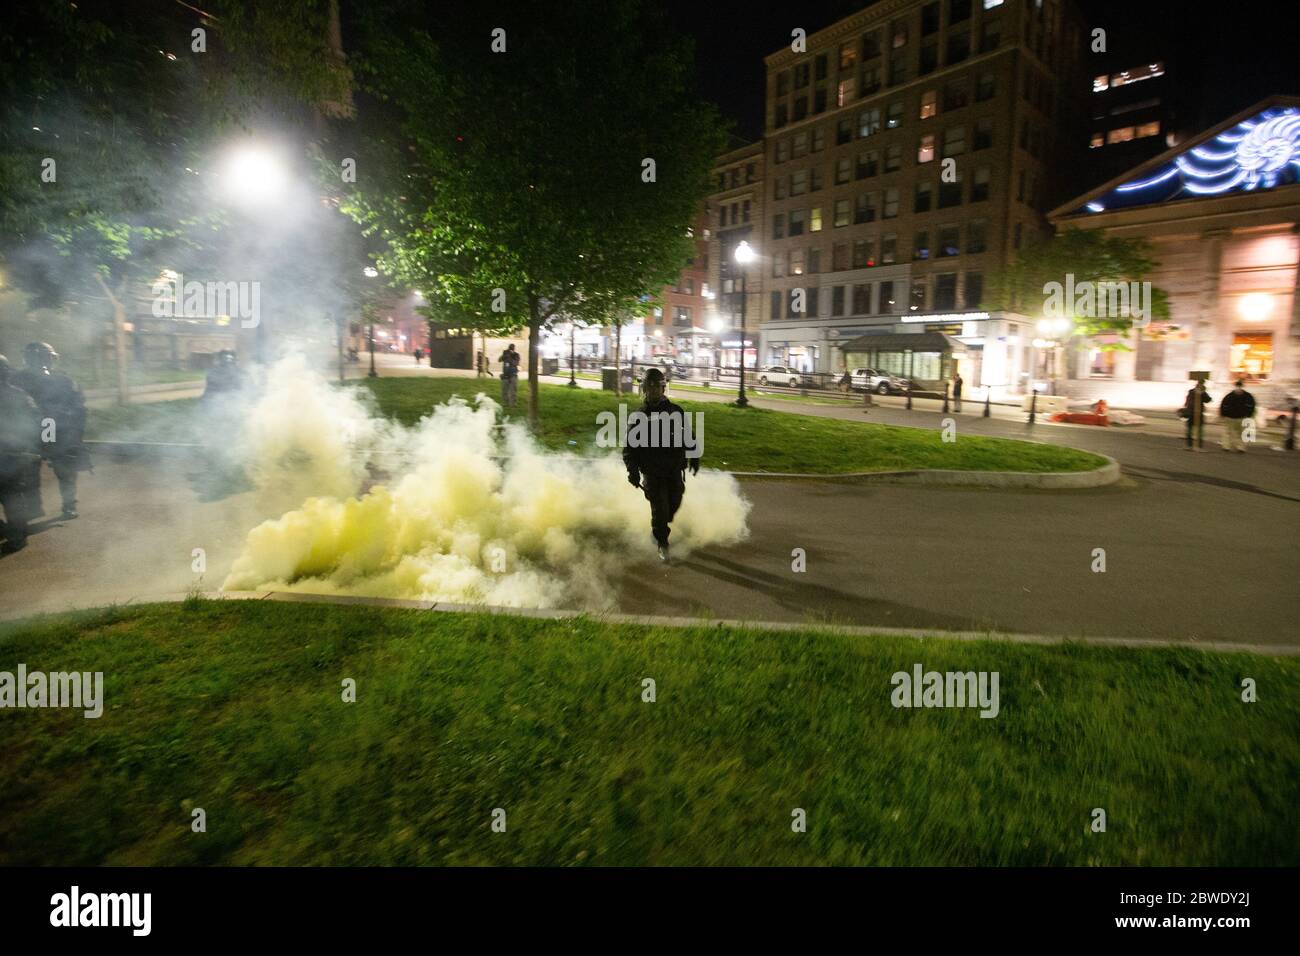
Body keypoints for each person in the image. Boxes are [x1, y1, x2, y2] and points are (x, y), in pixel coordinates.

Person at [623, 367, 700, 563]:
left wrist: (695, 456)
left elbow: (688, 436)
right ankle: (662, 542)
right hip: (651, 471)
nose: (654, 390)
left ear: (663, 388)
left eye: (657, 386)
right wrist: (633, 472)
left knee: (674, 501)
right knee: (660, 509)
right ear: (644, 390)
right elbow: (630, 448)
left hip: (673, 468)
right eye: (649, 386)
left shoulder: (676, 411)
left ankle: (659, 529)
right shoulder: (638, 416)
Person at [14, 342, 88, 519]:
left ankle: (54, 506)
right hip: (37, 429)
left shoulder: (61, 379)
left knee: (59, 469)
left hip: (49, 428)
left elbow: (77, 406)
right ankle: (59, 506)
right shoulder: (19, 379)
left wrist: (75, 431)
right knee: (39, 470)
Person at [0, 354, 43, 553]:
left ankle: (14, 533)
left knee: (12, 498)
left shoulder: (20, 395)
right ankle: (17, 536)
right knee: (12, 498)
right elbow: (43, 422)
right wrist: (44, 446)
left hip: (11, 456)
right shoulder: (21, 395)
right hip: (14, 456)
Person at [1218, 379, 1256, 453]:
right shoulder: (1248, 396)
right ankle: (1239, 447)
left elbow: (1223, 406)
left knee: (1228, 432)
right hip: (1238, 417)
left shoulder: (1229, 396)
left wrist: (1222, 414)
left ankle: (1227, 446)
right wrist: (1249, 415)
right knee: (1239, 433)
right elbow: (1252, 406)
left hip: (1233, 417)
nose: (1238, 388)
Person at [1179, 381, 1212, 450]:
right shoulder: (1192, 392)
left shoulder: (1202, 393)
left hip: (1198, 414)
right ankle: (1190, 445)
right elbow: (1189, 402)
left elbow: (1208, 400)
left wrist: (1202, 394)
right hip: (1192, 413)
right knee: (1190, 430)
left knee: (1198, 431)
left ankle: (1197, 445)